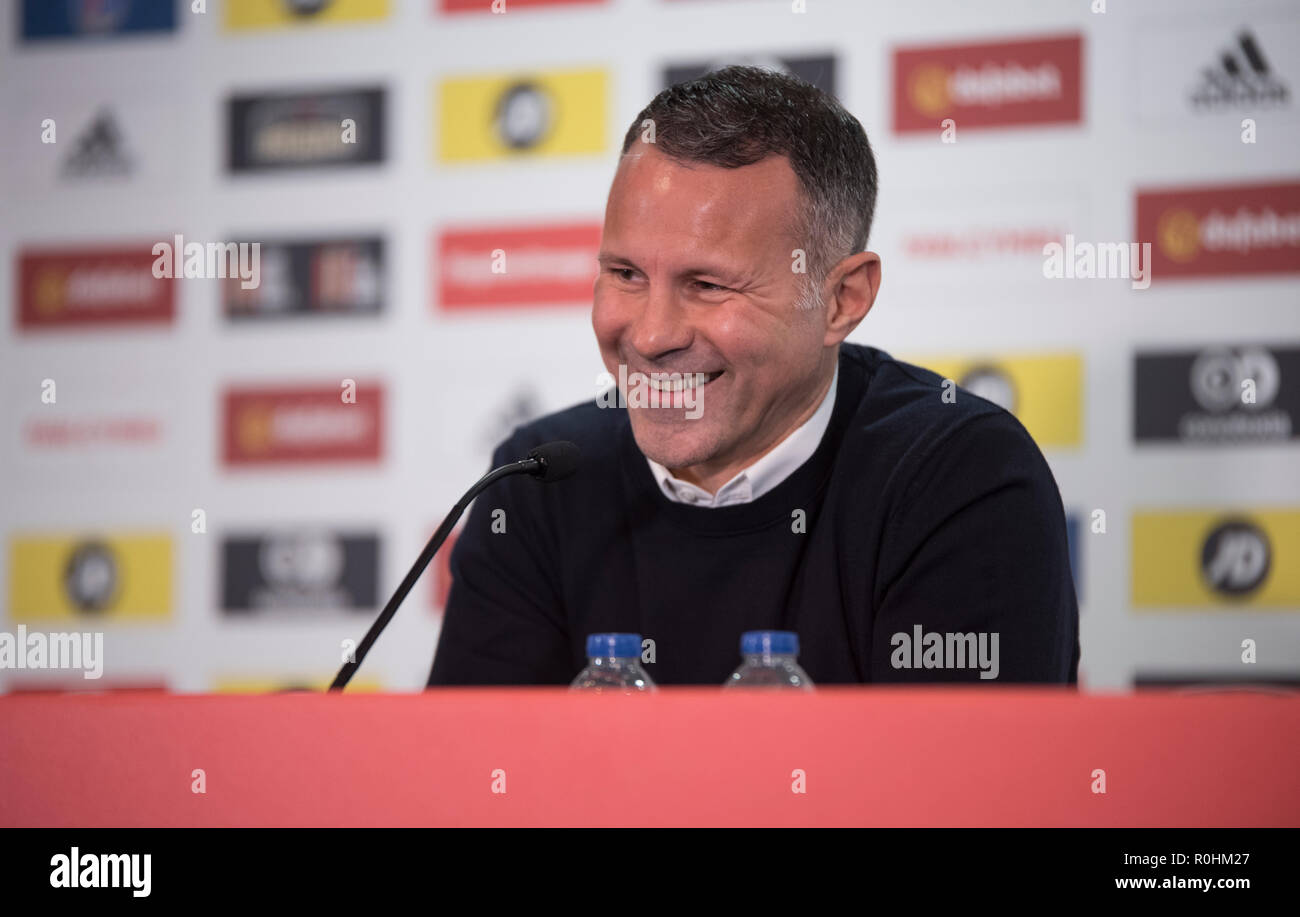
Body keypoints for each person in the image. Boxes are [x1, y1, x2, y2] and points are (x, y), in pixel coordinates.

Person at [428, 66, 1080, 686]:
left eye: (708, 284)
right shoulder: (538, 484)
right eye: (626, 274)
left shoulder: (962, 479)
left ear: (842, 299)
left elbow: (958, 796)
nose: (652, 336)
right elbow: (474, 787)